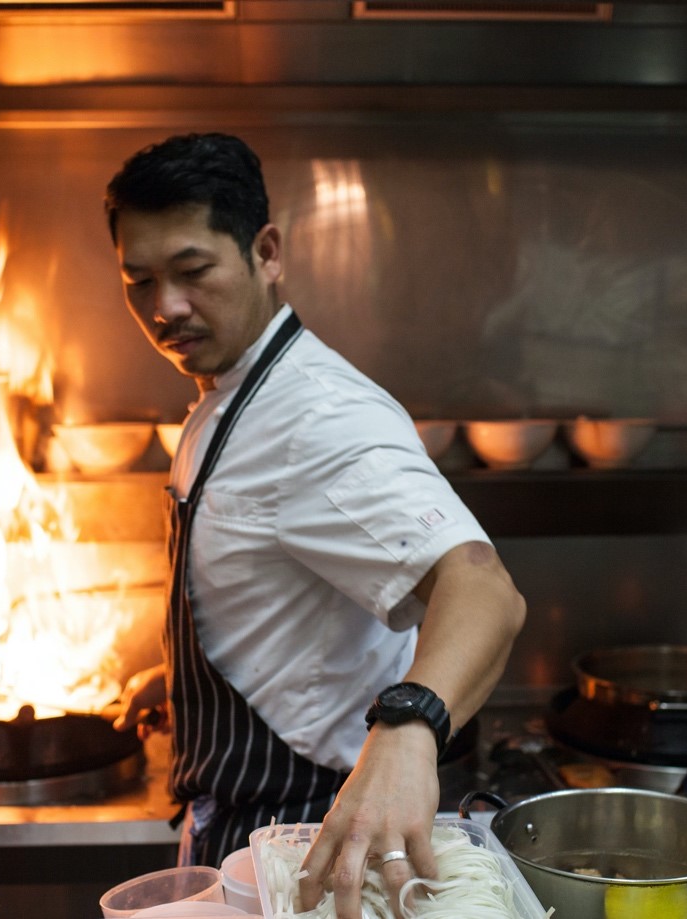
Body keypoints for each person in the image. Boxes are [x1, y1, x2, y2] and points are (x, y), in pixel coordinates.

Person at [103, 132, 526, 918]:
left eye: (193, 272)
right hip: (240, 831)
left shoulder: (318, 417)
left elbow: (484, 588)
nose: (165, 308)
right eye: (141, 281)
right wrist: (194, 677)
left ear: (267, 251)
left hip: (312, 843)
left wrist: (410, 729)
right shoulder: (229, 390)